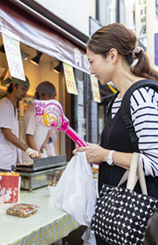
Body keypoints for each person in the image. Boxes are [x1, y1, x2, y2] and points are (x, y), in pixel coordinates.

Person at [75, 23, 158, 244]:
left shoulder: (142, 97)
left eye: (92, 61)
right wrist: (97, 153)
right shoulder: (116, 100)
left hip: (137, 218)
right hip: (117, 215)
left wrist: (104, 155)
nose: (91, 70)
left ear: (112, 56)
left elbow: (155, 163)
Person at [0, 77, 39, 186]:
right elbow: (8, 133)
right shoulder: (4, 106)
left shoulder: (12, 107)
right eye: (23, 89)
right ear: (14, 86)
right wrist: (27, 149)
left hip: (8, 161)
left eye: (26, 90)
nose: (25, 93)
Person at [22, 81, 57, 162]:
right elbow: (29, 138)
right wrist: (37, 155)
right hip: (30, 157)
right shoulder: (32, 113)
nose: (52, 99)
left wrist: (44, 144)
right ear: (41, 95)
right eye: (49, 96)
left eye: (53, 96)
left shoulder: (46, 112)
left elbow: (48, 130)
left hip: (40, 154)